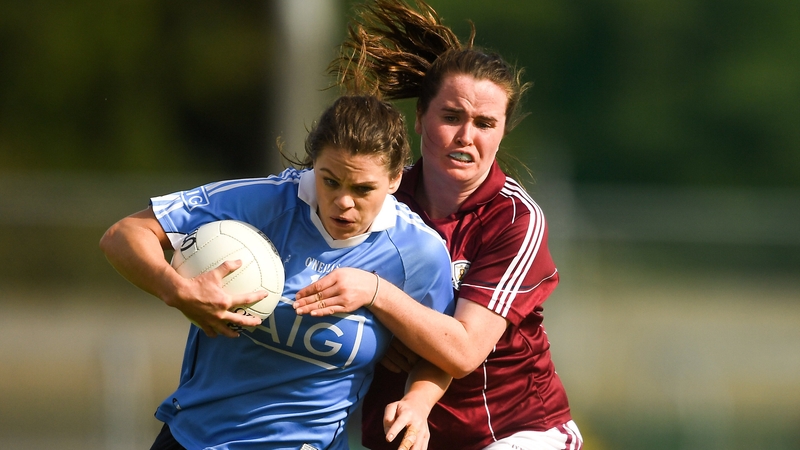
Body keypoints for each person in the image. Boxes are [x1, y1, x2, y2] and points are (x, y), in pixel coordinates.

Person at [293, 1, 583, 449]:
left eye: (485, 123)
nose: (467, 135)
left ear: (502, 132)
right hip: (399, 434)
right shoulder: (375, 199)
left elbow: (463, 350)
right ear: (420, 119)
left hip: (511, 432)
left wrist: (376, 295)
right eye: (452, 117)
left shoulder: (515, 219)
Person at [99, 94, 455, 450]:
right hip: (198, 439)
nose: (344, 201)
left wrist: (418, 403)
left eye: (363, 189)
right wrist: (177, 289)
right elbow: (123, 235)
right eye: (330, 181)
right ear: (314, 164)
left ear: (395, 179)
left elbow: (445, 352)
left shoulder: (417, 252)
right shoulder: (260, 204)